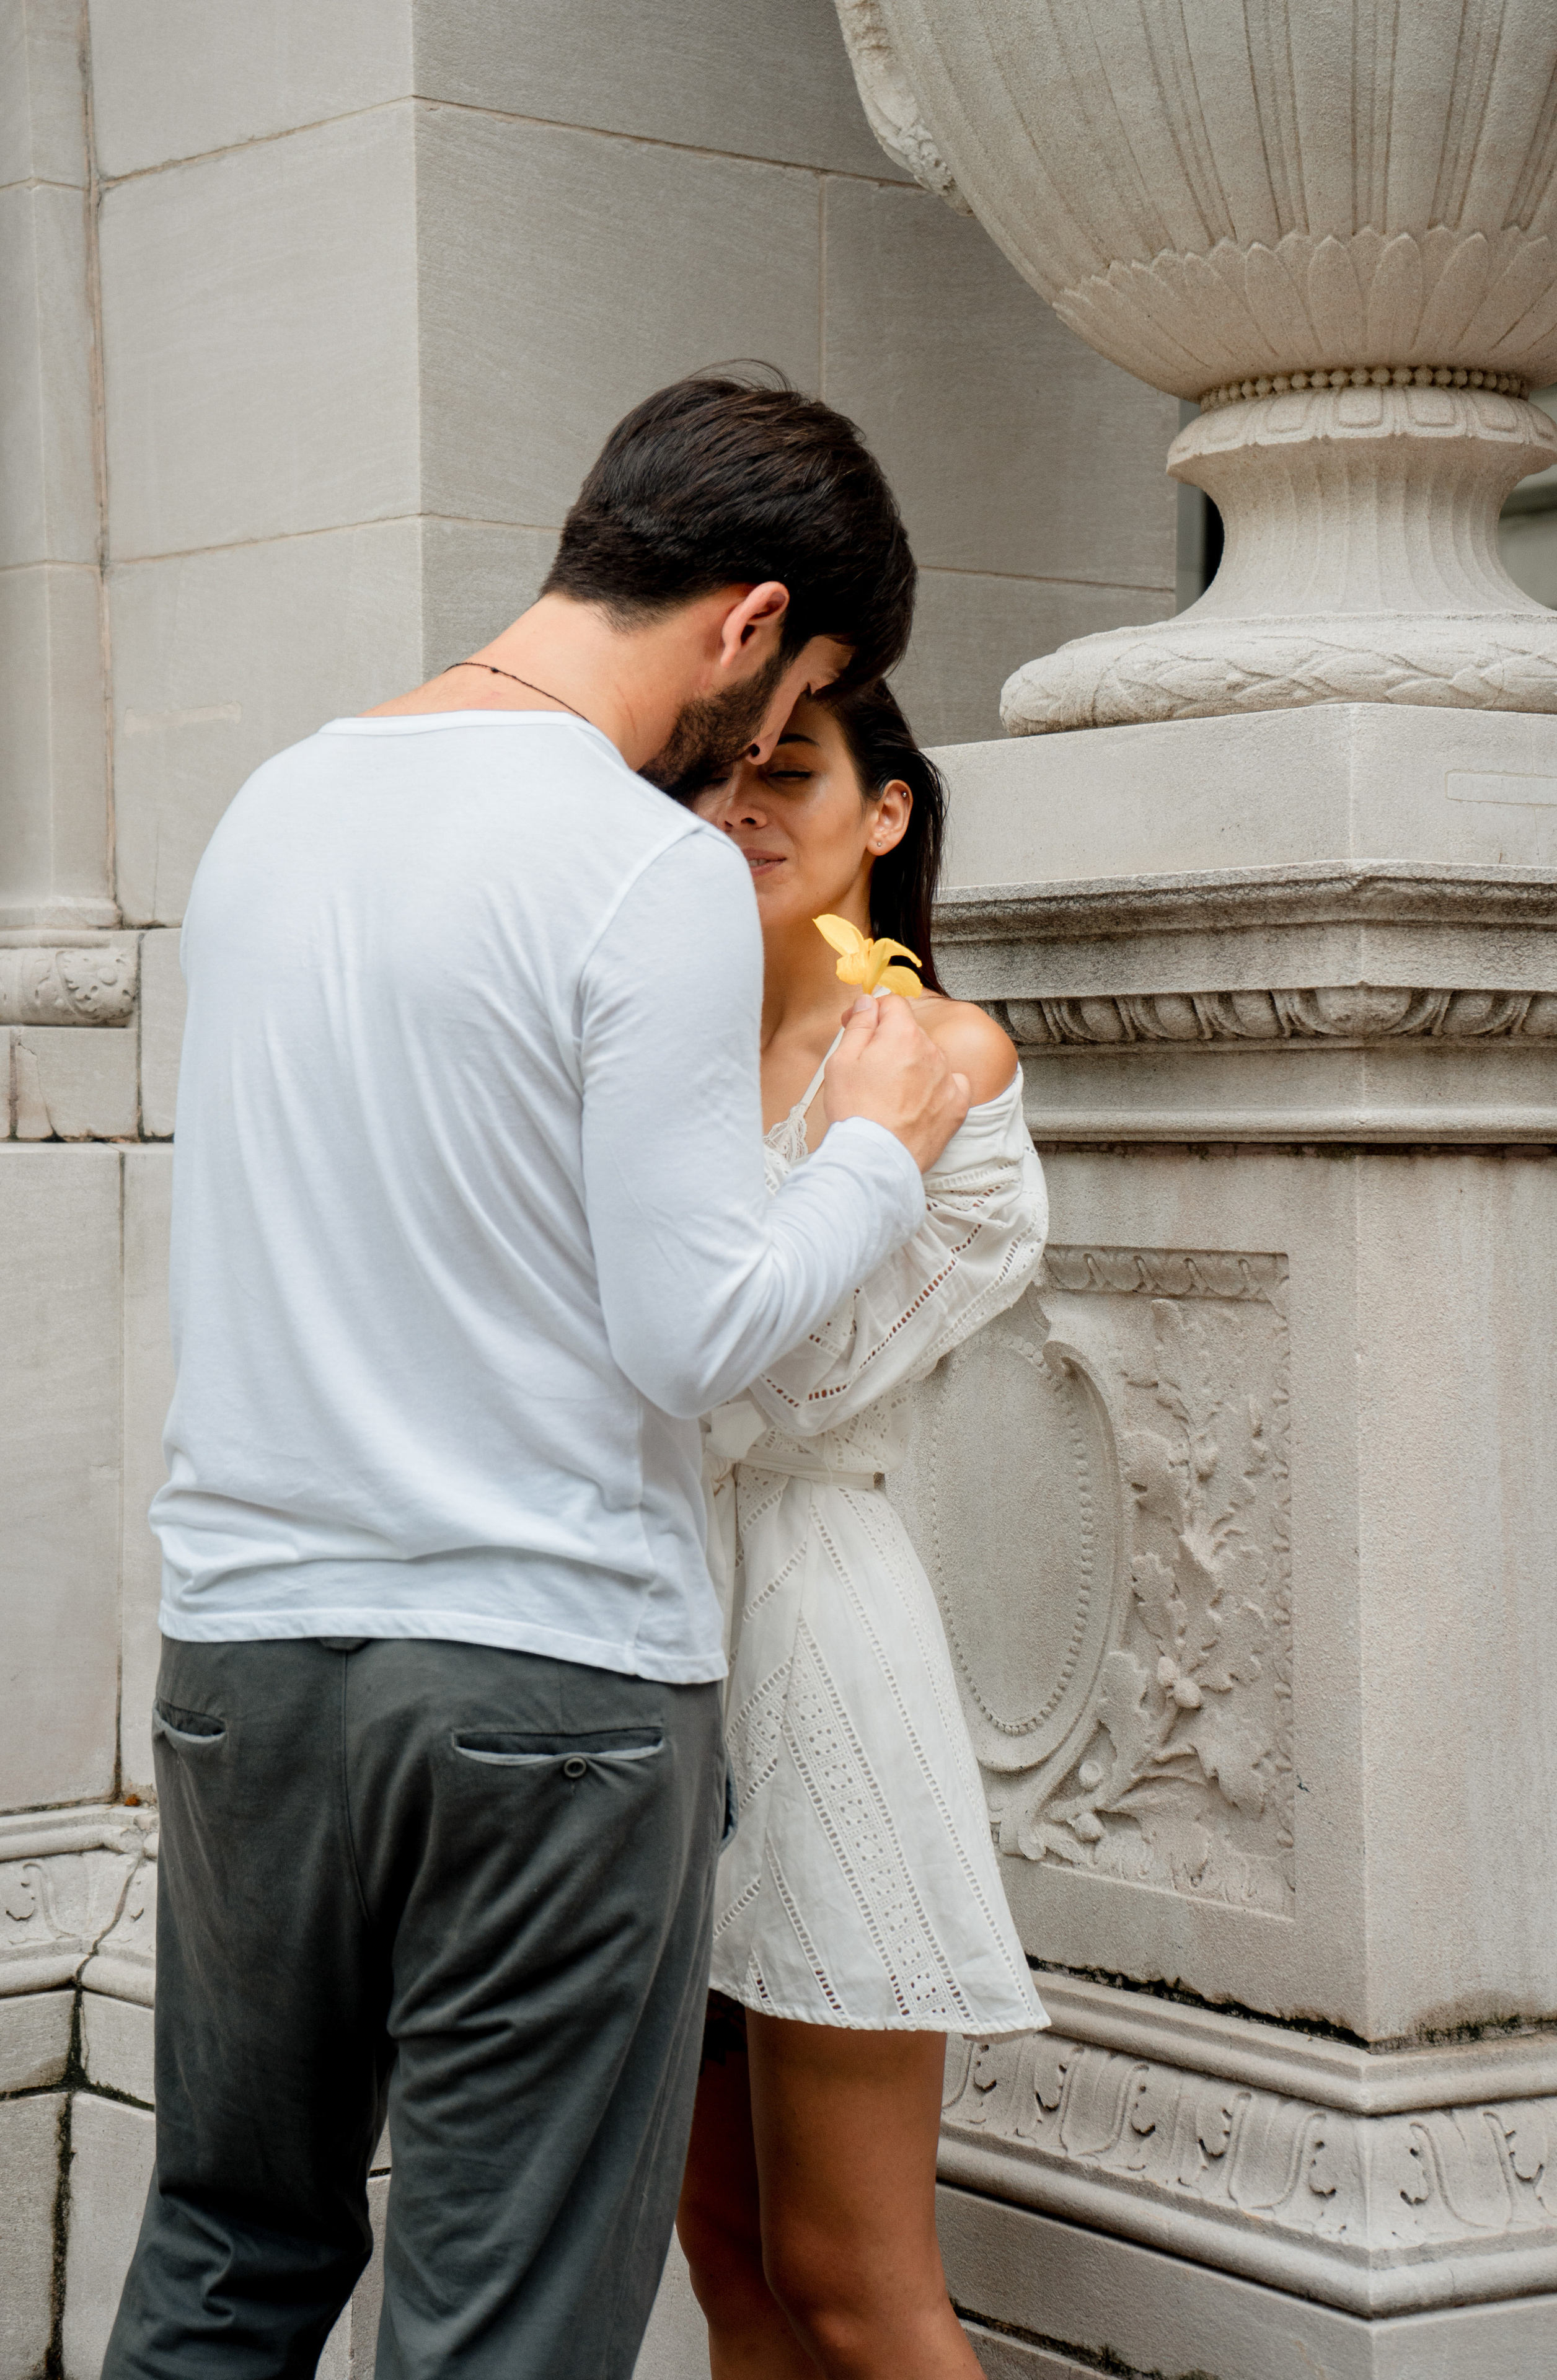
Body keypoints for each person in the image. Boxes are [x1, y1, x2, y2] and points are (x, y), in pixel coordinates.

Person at [101, 374, 971, 2380]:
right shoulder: (634, 861)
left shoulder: (274, 803)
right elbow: (698, 1332)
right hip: (546, 1678)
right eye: (792, 692)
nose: (760, 754)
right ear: (750, 624)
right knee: (500, 2328)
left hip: (247, 1660)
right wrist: (878, 1147)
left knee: (225, 2264)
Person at [676, 681, 1049, 2379]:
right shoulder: (652, 1054)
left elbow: (796, 1383)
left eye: (795, 773)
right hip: (646, 1641)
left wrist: (647, 1368)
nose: (745, 807)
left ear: (885, 812)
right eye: (717, 775)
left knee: (853, 2279)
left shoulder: (940, 1061)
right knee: (729, 2261)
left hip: (817, 1634)